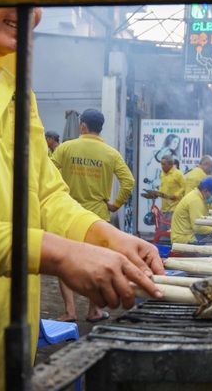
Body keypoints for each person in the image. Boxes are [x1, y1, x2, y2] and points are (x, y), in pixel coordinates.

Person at [0, 7, 163, 390]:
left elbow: (43, 193)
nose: (33, 13)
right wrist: (55, 253)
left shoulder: (14, 83)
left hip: (3, 368)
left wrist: (104, 237)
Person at [51, 108, 136, 323]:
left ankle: (70, 311)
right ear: (100, 128)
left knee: (63, 263)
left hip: (68, 215)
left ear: (82, 126)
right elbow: (129, 182)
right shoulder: (111, 153)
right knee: (97, 264)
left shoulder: (66, 148)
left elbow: (47, 172)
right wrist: (116, 205)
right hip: (97, 219)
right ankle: (93, 311)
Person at [170, 177, 212, 244]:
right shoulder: (195, 201)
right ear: (205, 190)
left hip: (190, 233)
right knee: (211, 245)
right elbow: (198, 227)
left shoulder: (200, 198)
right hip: (184, 238)